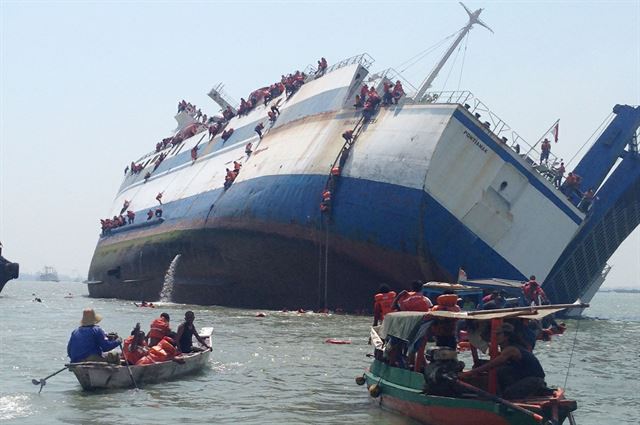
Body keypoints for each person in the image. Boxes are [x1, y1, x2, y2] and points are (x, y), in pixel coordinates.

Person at [459, 323, 549, 399]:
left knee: (508, 394)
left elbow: (492, 364)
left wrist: (469, 373)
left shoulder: (511, 349)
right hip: (527, 378)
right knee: (501, 371)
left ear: (506, 336)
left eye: (498, 334)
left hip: (535, 380)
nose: (495, 337)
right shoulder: (508, 348)